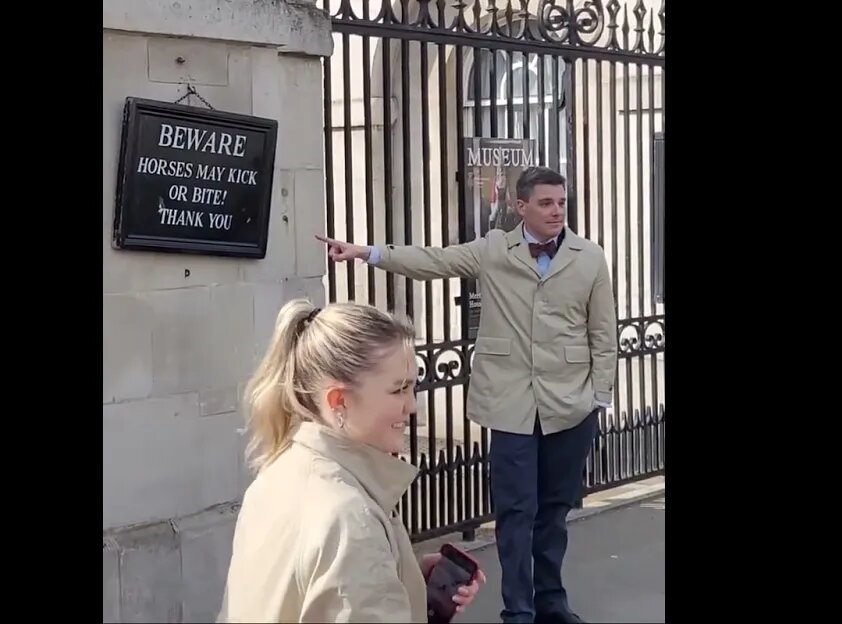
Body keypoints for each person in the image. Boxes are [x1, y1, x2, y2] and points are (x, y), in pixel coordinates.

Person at [316, 166, 617, 624]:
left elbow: (603, 331)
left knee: (554, 512)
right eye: (546, 203)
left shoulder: (589, 256)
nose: (557, 211)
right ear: (521, 207)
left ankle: (552, 602)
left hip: (570, 404)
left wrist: (600, 396)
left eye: (561, 202)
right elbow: (435, 261)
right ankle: (519, 610)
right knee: (516, 514)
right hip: (511, 403)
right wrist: (368, 253)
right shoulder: (495, 249)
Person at [218, 298, 487, 623]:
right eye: (399, 389)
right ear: (339, 400)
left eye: (412, 387)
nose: (411, 405)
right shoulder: (351, 521)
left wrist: (407, 578)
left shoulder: (277, 473)